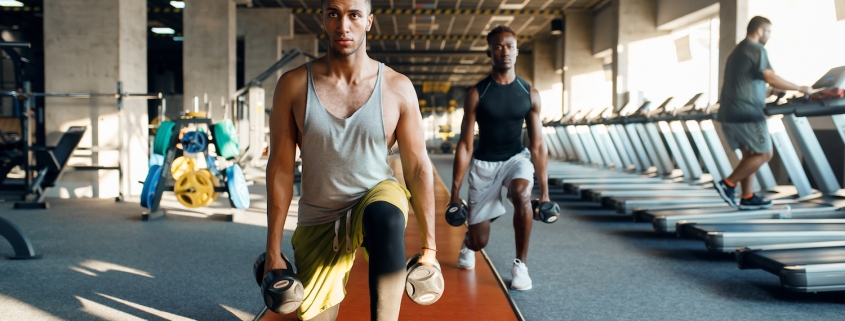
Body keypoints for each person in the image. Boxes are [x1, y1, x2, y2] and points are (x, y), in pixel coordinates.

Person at [263, 0, 437, 319]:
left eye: (354, 15)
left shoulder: (397, 87)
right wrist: (273, 251)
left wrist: (430, 250)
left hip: (375, 195)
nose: (343, 25)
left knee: (387, 216)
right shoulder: (293, 85)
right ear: (323, 20)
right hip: (319, 214)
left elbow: (417, 167)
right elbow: (281, 170)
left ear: (368, 21)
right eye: (334, 14)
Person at [449, 25, 550, 291]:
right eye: (498, 46)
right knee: (480, 240)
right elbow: (466, 145)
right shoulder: (477, 94)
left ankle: (521, 266)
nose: (504, 51)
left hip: (515, 158)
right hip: (484, 164)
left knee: (522, 193)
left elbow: (537, 146)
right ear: (489, 52)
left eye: (510, 47)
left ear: (517, 52)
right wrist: (454, 194)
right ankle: (470, 242)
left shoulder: (530, 93)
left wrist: (547, 194)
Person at [714, 16, 812, 210]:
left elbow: (746, 82)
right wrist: (800, 88)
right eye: (768, 31)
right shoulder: (756, 49)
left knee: (750, 155)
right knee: (765, 154)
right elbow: (770, 76)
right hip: (747, 113)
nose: (769, 36)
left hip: (730, 112)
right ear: (759, 30)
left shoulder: (738, 51)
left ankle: (748, 196)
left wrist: (768, 91)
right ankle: (727, 184)